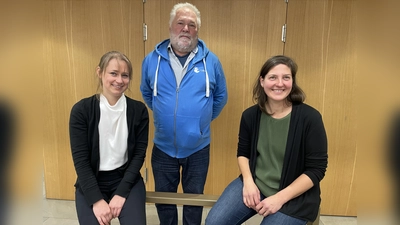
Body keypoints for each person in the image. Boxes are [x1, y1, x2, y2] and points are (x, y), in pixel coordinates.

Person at [206, 55, 328, 225]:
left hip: (294, 196)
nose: (280, 83)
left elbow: (316, 169)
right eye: (273, 77)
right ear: (262, 81)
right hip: (256, 183)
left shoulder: (310, 118)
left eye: (286, 77)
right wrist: (248, 183)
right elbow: (243, 153)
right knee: (214, 222)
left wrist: (279, 198)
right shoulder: (250, 116)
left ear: (292, 81)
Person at [140, 2, 228, 225]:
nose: (186, 29)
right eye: (181, 23)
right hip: (163, 147)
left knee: (194, 201)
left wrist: (200, 122)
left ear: (197, 30)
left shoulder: (212, 61)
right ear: (171, 26)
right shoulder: (152, 60)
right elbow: (147, 93)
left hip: (198, 149)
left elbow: (220, 97)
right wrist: (164, 118)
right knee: (164, 201)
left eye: (192, 25)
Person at [69, 51, 149, 225]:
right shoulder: (81, 111)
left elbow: (138, 156)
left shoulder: (139, 111)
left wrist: (121, 194)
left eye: (125, 75)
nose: (119, 80)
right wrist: (96, 200)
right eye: (113, 73)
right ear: (100, 72)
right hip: (91, 181)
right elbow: (81, 161)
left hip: (126, 180)